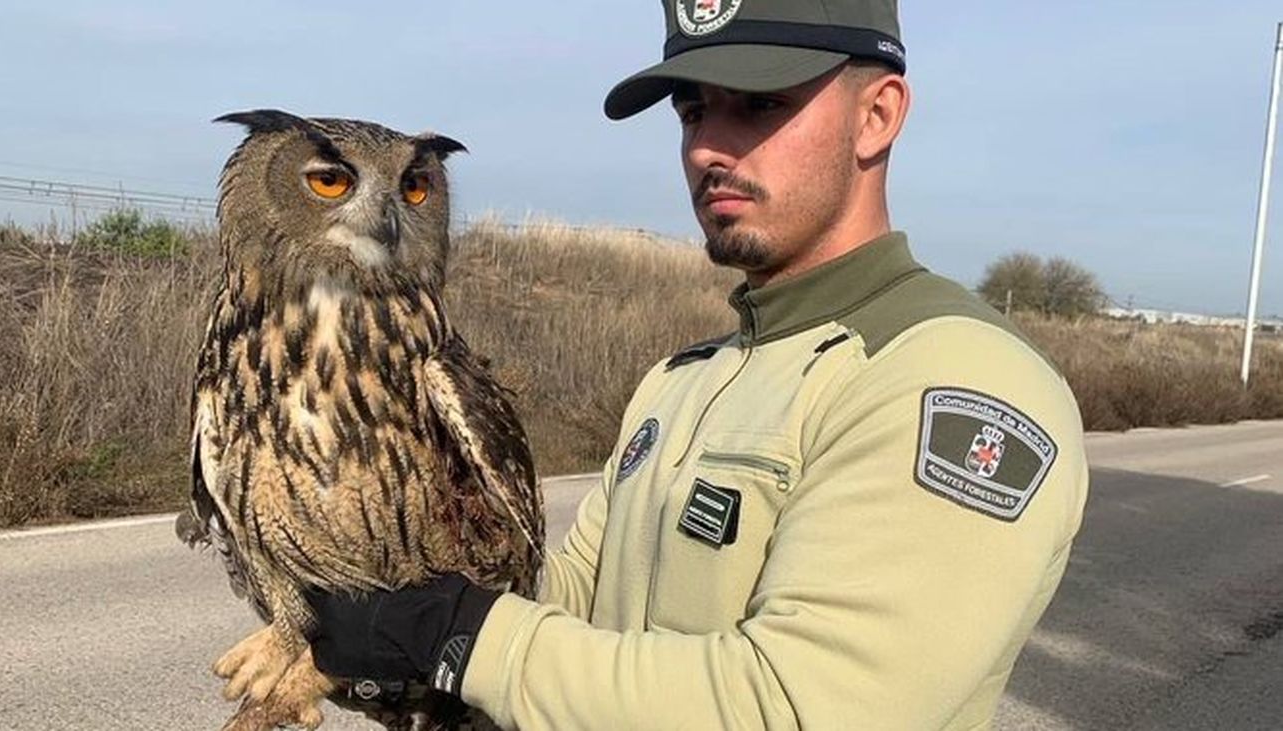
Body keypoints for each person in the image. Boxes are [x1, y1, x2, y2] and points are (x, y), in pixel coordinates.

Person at [307, 0, 1089, 728]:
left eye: (760, 105)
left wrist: (464, 637)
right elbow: (569, 607)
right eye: (693, 111)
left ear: (876, 116)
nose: (708, 148)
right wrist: (389, 628)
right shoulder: (681, 381)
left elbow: (798, 704)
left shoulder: (953, 378)